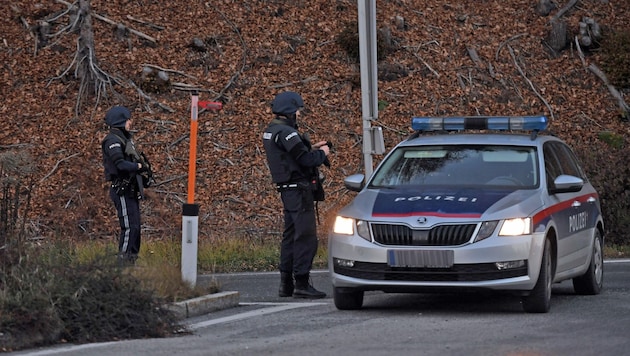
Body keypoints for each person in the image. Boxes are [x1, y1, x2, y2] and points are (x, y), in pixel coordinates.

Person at [262, 91, 330, 299]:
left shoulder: (273, 130)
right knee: (305, 236)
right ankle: (301, 283)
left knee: (290, 235)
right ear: (290, 111)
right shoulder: (288, 133)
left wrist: (310, 147)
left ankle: (286, 284)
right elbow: (305, 160)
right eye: (298, 110)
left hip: (288, 190)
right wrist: (322, 153)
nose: (300, 114)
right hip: (299, 191)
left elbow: (291, 154)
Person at [101, 106, 151, 265]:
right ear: (121, 121)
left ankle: (131, 263)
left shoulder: (125, 139)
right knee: (129, 228)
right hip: (121, 189)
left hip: (130, 189)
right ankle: (121, 267)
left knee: (135, 227)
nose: (130, 122)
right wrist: (138, 167)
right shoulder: (112, 141)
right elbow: (120, 164)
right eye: (128, 119)